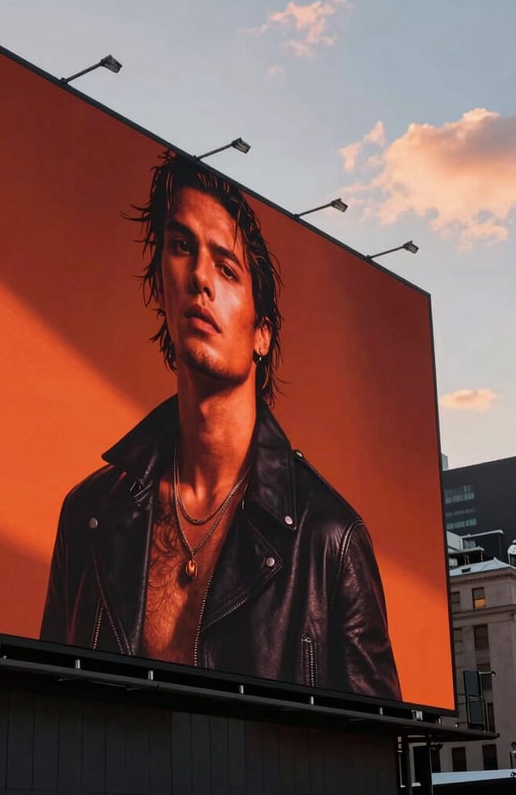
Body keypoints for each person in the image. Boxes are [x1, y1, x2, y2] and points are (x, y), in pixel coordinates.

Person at [40, 151, 401, 700]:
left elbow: (374, 756)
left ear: (263, 333)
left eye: (227, 268)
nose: (201, 278)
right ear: (161, 285)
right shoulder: (89, 516)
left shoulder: (329, 541)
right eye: (182, 247)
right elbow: (43, 711)